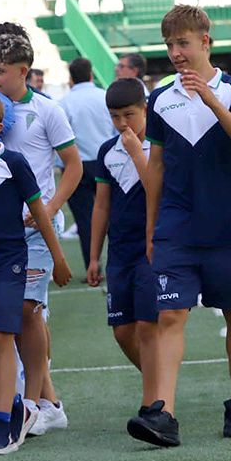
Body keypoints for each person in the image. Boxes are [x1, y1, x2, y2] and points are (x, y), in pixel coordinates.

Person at [131, 5, 231, 448]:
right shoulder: (160, 98)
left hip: (228, 224)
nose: (175, 53)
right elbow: (157, 169)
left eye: (183, 43)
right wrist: (152, 229)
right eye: (169, 45)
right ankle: (163, 414)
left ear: (205, 41)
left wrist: (209, 99)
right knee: (169, 313)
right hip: (176, 227)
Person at [0, 27, 80, 435]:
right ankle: (48, 402)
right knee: (11, 315)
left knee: (26, 310)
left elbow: (73, 166)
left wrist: (48, 210)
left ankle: (34, 405)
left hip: (38, 230)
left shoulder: (47, 111)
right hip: (0, 232)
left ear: (23, 71)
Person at [0, 92, 69, 455]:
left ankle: (4, 421)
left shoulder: (14, 162)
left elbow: (40, 211)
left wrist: (59, 257)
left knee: (1, 337)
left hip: (10, 261)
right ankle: (16, 405)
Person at [85, 77, 160, 420]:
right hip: (120, 252)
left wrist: (135, 152)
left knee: (147, 326)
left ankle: (154, 400)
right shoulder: (106, 152)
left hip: (152, 247)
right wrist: (93, 255)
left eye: (129, 115)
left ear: (145, 109)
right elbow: (101, 205)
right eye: (115, 117)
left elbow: (154, 188)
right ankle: (160, 383)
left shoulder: (157, 147)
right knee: (122, 331)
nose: (122, 124)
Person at [60, 58, 117, 267]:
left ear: (71, 78)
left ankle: (92, 266)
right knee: (113, 214)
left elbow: (60, 139)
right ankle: (117, 262)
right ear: (91, 75)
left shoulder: (65, 103)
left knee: (85, 220)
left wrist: (62, 164)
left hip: (77, 165)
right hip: (106, 161)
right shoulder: (104, 97)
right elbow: (114, 129)